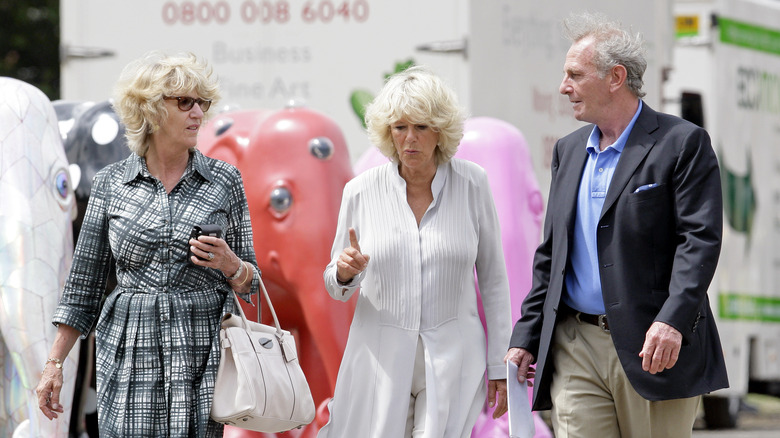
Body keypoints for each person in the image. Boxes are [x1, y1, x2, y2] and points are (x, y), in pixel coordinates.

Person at [505, 12, 728, 437]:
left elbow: (698, 241)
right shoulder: (568, 151)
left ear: (615, 77)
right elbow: (552, 254)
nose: (563, 87)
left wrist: (672, 321)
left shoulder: (681, 143)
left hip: (653, 344)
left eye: (574, 74)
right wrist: (527, 334)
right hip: (576, 345)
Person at [35, 51, 260, 437]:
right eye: (185, 102)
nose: (198, 114)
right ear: (151, 110)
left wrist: (230, 265)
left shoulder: (225, 180)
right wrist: (54, 365)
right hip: (129, 347)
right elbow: (83, 286)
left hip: (200, 351)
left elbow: (252, 284)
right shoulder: (110, 183)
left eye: (202, 103)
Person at [318, 66, 512, 437]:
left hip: (455, 355)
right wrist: (345, 271)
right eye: (399, 127)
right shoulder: (360, 190)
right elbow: (334, 284)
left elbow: (494, 281)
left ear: (440, 130)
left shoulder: (473, 184)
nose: (409, 139)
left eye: (421, 127)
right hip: (378, 357)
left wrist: (499, 365)